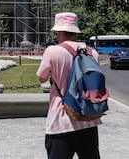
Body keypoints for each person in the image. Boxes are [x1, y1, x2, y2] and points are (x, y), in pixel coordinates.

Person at [36, 12, 101, 159]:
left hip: (62, 118)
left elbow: (41, 78)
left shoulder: (53, 51)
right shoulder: (92, 53)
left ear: (58, 31)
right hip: (87, 118)